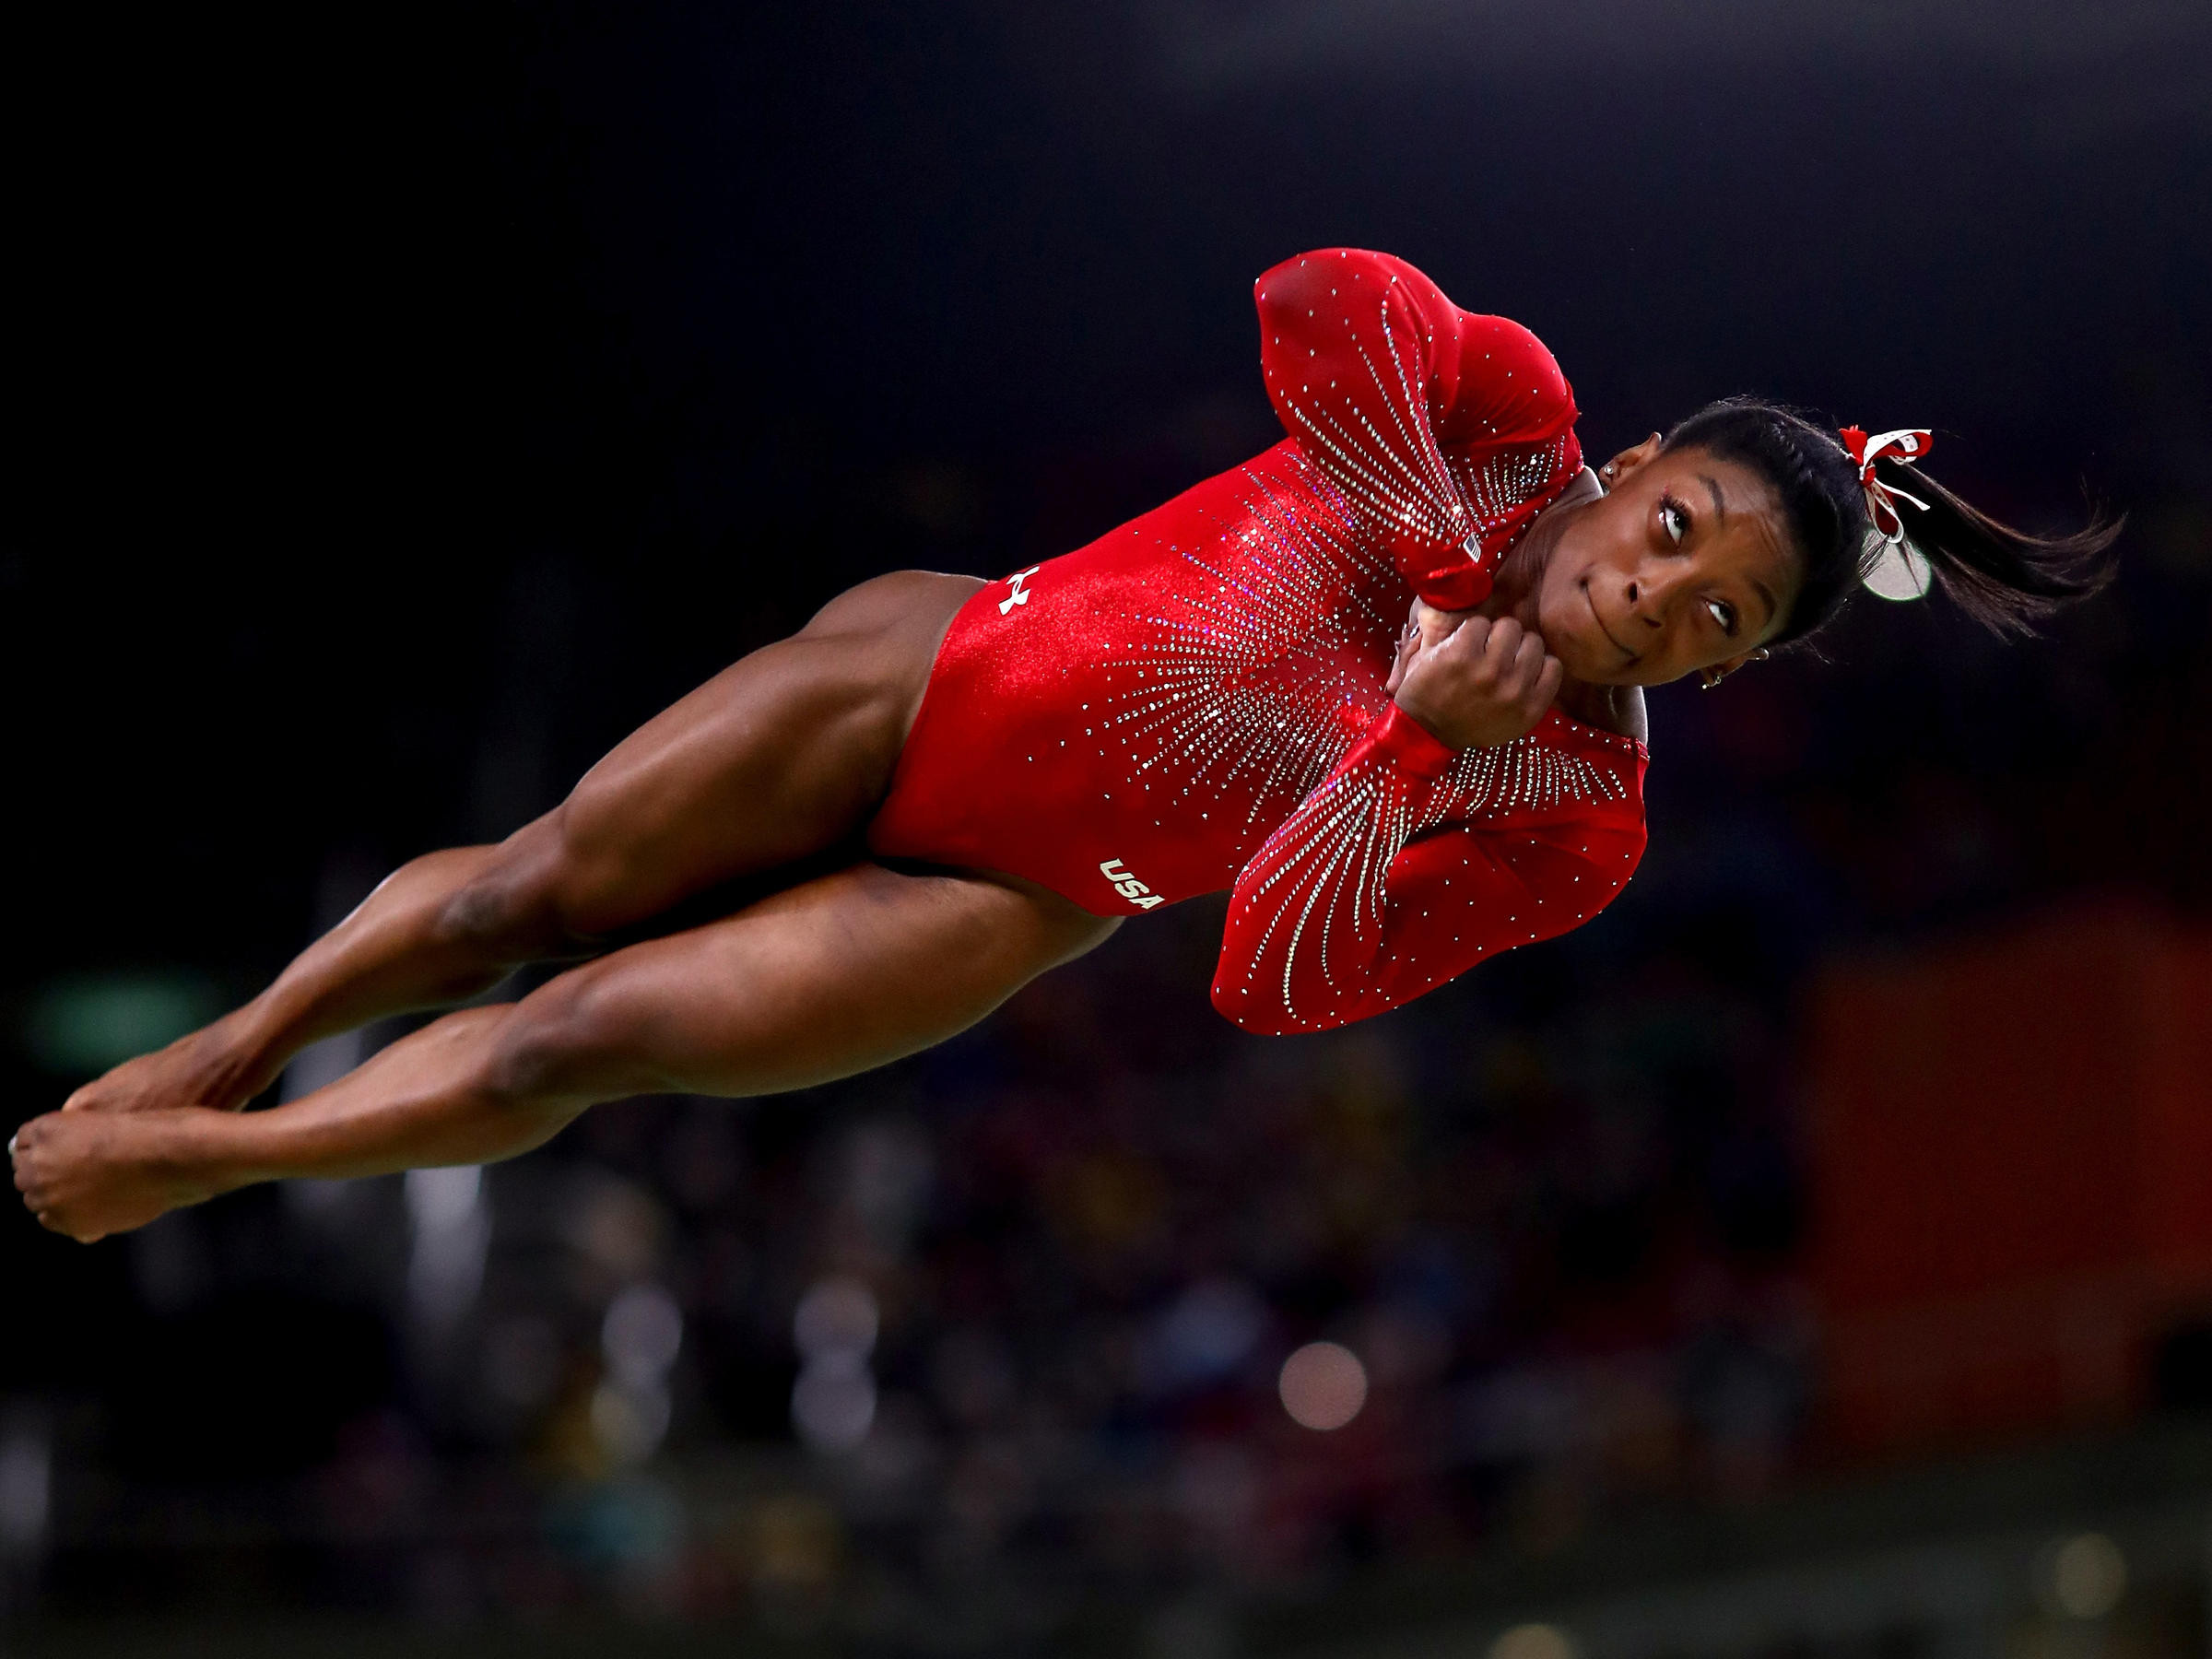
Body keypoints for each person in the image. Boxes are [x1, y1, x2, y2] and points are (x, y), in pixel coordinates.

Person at [11, 248, 2114, 1242]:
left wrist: (1399, 744)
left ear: (1729, 670)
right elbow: (1318, 301)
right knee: (521, 890)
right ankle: (241, 1033)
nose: (1663, 598)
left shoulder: (1575, 812)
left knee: (586, 1039)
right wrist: (1446, 578)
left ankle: (208, 1155)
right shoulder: (1503, 419)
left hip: (1009, 899)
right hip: (931, 671)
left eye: (1716, 618)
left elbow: (1274, 982)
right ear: (1635, 464)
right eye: (1677, 534)